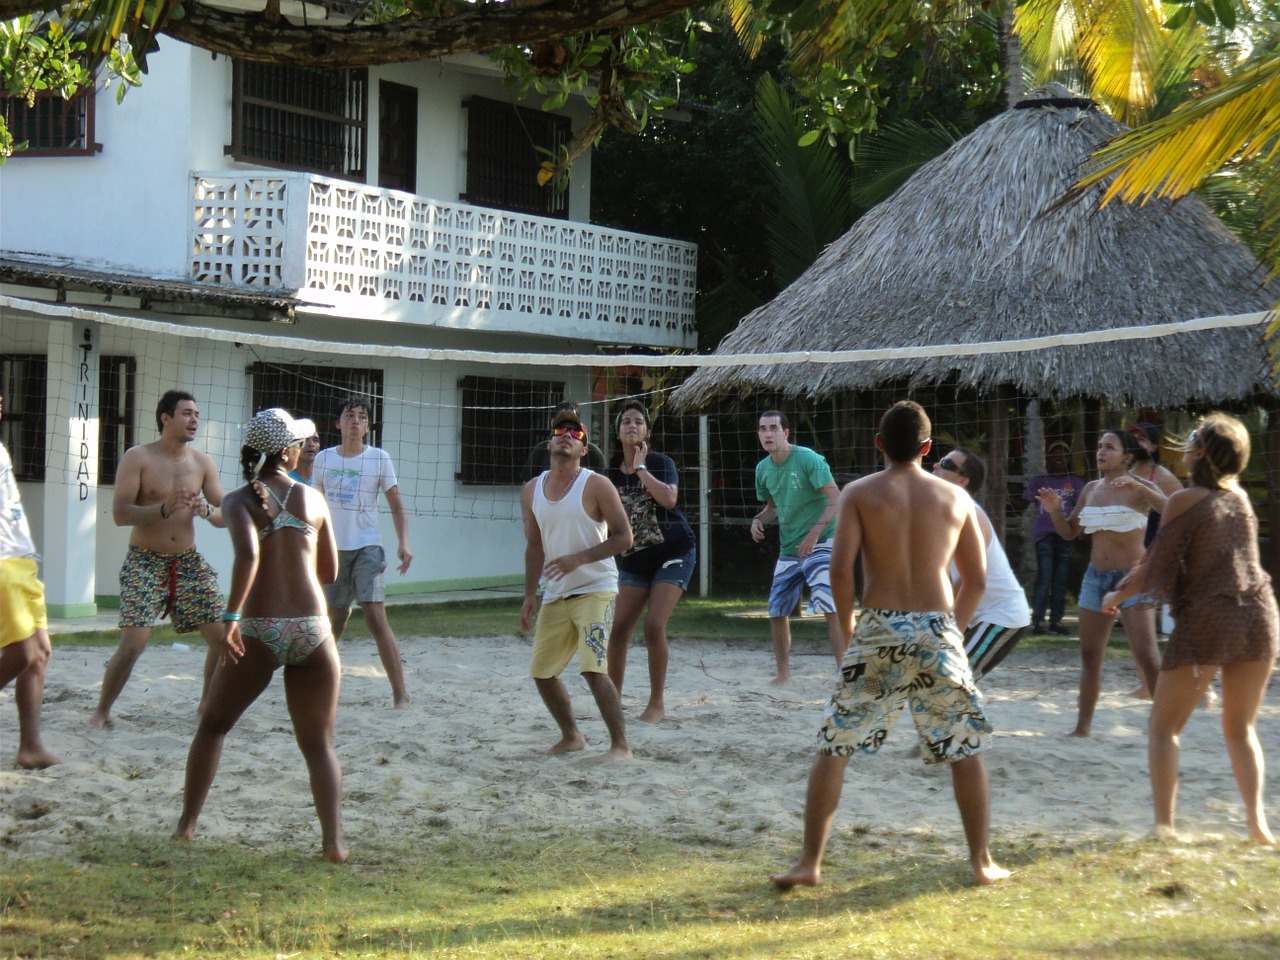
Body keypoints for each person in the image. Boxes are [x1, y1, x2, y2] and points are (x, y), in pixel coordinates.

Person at [770, 401, 1007, 888]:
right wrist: (952, 633)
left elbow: (839, 571)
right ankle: (981, 863)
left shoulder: (859, 493)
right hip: (937, 627)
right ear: (927, 447)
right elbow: (977, 581)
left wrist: (850, 627)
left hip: (880, 622)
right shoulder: (957, 499)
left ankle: (809, 863)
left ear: (879, 444)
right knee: (964, 748)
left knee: (835, 746)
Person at [173, 409, 346, 862]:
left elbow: (248, 557)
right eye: (299, 444)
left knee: (213, 724)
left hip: (260, 627)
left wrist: (231, 616)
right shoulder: (313, 499)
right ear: (287, 450)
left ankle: (187, 827)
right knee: (319, 746)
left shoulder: (237, 499)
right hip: (313, 629)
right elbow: (329, 571)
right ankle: (333, 844)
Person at [1101, 413, 1276, 844]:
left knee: (1163, 728)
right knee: (1240, 729)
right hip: (1258, 615)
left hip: (1211, 618)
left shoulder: (1185, 497)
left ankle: (1164, 827)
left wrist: (1117, 596)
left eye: (1191, 440)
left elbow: (1157, 561)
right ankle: (1258, 827)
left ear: (1198, 451)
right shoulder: (1240, 500)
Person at [91, 390, 226, 729]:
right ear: (166, 418)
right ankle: (101, 712)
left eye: (196, 414)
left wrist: (206, 510)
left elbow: (227, 514)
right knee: (135, 641)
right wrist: (162, 509)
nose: (194, 420)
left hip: (187, 561)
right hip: (145, 560)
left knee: (223, 639)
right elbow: (120, 514)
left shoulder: (202, 463)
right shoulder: (138, 457)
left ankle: (206, 706)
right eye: (186, 414)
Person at [1035, 429, 1167, 738]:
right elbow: (1069, 533)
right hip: (1095, 579)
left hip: (1132, 580)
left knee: (1147, 655)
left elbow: (1170, 507)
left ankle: (1166, 727)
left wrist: (1140, 486)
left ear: (1127, 457)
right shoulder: (1091, 489)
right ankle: (1082, 728)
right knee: (1090, 657)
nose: (1101, 451)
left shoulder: (1139, 487)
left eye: (1109, 447)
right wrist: (1055, 510)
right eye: (1099, 446)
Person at [519, 407, 634, 761]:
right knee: (541, 672)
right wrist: (529, 594)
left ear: (584, 449)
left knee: (592, 668)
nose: (566, 435)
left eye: (575, 433)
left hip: (596, 586)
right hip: (556, 592)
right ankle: (572, 736)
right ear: (549, 442)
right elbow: (535, 546)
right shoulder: (531, 489)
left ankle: (620, 747)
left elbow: (624, 538)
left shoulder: (596, 484)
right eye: (560, 431)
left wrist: (579, 558)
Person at [313, 397, 412, 707]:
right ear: (339, 424)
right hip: (332, 549)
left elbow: (396, 504)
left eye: (361, 417)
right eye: (349, 416)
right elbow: (314, 506)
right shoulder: (324, 459)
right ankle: (320, 686)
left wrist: (403, 542)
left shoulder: (378, 458)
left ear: (367, 427)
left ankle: (400, 694)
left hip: (368, 546)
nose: (355, 421)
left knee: (374, 616)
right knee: (333, 621)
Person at [605, 400, 697, 724]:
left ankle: (656, 703)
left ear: (646, 431)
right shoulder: (608, 476)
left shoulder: (659, 462)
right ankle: (612, 701)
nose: (632, 426)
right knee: (617, 629)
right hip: (635, 558)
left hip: (675, 551)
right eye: (626, 422)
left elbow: (669, 498)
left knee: (654, 625)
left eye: (638, 422)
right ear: (617, 433)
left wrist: (642, 470)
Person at [750, 411, 844, 684]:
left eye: (773, 428)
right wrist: (757, 521)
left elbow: (836, 498)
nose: (767, 434)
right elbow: (773, 508)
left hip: (823, 540)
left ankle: (842, 674)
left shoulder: (808, 459)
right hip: (790, 547)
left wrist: (814, 535)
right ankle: (783, 676)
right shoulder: (762, 469)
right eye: (762, 429)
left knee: (830, 605)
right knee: (777, 609)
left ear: (786, 432)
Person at [0, 393, 62, 768]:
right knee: (20, 652)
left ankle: (30, 748)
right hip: (2, 563)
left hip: (21, 557)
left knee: (39, 653)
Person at [934, 448, 1032, 678]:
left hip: (1002, 616)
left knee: (952, 681)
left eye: (946, 464)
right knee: (947, 685)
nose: (936, 466)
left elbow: (975, 582)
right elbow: (957, 580)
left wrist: (950, 633)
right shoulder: (946, 513)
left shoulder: (968, 513)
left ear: (962, 481)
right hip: (978, 616)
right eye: (939, 462)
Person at [1020, 440, 1085, 635]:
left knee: (1060, 579)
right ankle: (1038, 621)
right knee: (1045, 577)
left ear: (1068, 459)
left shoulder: (1075, 483)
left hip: (1065, 535)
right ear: (1048, 458)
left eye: (1063, 455)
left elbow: (1082, 509)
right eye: (1055, 455)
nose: (1058, 458)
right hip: (1044, 535)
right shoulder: (1040, 481)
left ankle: (1056, 621)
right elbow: (1023, 502)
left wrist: (1080, 531)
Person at [522, 400, 606, 481]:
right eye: (561, 427)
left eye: (572, 427)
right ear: (549, 445)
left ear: (584, 451)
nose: (567, 434)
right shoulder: (539, 451)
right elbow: (526, 486)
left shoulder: (594, 454)